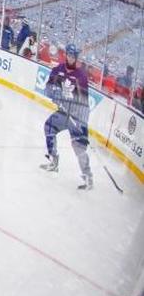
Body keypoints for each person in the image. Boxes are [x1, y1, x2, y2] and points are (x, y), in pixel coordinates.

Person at [40, 44, 93, 190]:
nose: (70, 57)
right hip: (63, 114)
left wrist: (82, 123)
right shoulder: (58, 70)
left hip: (76, 117)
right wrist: (53, 93)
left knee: (79, 147)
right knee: (49, 127)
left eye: (73, 56)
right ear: (66, 55)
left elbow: (83, 101)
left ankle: (88, 177)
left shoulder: (81, 76)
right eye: (69, 55)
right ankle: (53, 160)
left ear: (76, 58)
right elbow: (48, 87)